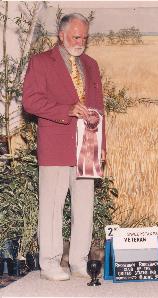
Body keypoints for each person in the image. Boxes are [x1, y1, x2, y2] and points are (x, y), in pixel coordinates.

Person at [22, 13, 106, 281]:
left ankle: (79, 261)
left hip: (87, 146)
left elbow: (99, 109)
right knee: (52, 206)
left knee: (84, 206)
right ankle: (49, 263)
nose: (81, 41)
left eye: (84, 37)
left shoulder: (91, 65)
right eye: (76, 36)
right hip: (55, 144)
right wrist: (66, 110)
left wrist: (102, 144)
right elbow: (31, 102)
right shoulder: (40, 62)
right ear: (61, 35)